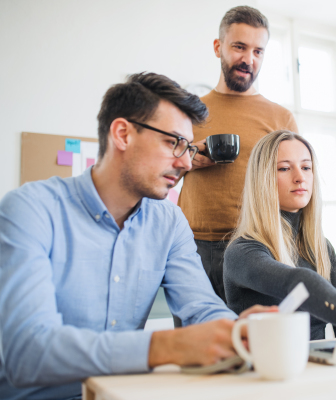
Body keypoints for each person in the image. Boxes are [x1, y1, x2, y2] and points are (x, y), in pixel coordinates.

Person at [0, 72, 272, 400]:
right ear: (122, 134)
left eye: (187, 147)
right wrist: (165, 346)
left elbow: (200, 307)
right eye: (174, 143)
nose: (186, 162)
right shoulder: (30, 210)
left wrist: (235, 332)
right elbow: (27, 353)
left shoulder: (169, 221)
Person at [178, 6, 298, 302]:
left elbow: (296, 183)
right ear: (219, 47)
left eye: (258, 51)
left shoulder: (281, 117)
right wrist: (184, 159)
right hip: (192, 246)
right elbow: (160, 168)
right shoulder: (187, 110)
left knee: (255, 344)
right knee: (197, 344)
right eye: (239, 47)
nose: (249, 59)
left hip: (259, 244)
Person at [223, 130, 336, 340]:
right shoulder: (242, 252)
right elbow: (299, 284)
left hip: (318, 369)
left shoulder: (321, 247)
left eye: (306, 167)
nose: (300, 178)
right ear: (262, 179)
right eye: (284, 168)